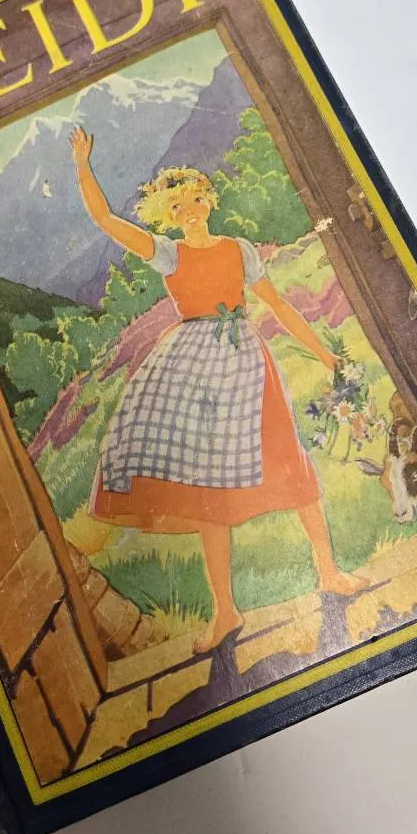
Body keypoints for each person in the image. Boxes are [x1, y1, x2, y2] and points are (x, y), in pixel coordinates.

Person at [70, 125, 364, 653]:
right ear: (169, 216)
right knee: (209, 491)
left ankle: (328, 570)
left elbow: (278, 305)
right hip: (192, 369)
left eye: (196, 199)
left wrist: (326, 356)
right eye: (177, 206)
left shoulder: (240, 250)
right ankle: (225, 611)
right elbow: (107, 220)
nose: (190, 211)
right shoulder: (168, 254)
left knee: (290, 461)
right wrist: (82, 166)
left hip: (247, 364)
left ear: (209, 199)